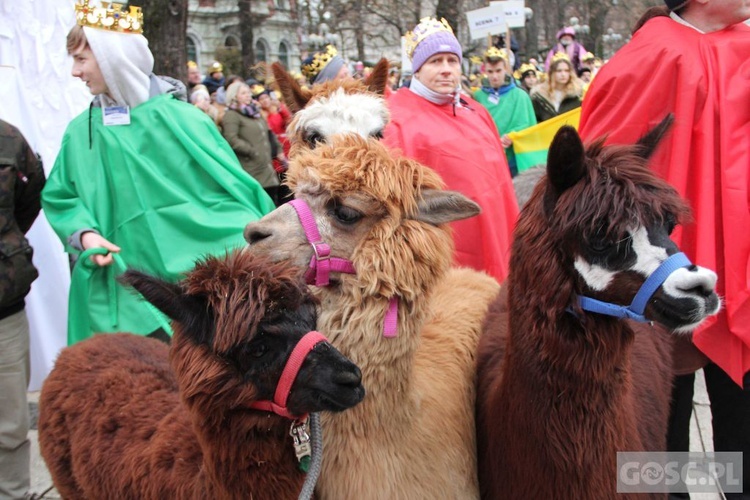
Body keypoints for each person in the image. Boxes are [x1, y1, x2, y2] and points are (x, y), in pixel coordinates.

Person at [578, 2, 750, 497]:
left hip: (740, 278)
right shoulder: (646, 58)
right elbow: (598, 181)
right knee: (658, 444)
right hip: (656, 286)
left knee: (741, 450)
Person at [43, 1, 275, 344]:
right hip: (129, 293)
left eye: (81, 59)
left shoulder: (184, 120)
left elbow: (235, 193)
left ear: (112, 57)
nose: (75, 72)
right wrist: (85, 234)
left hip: (205, 296)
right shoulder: (81, 132)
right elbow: (60, 195)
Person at [384, 17, 519, 284]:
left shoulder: (475, 109)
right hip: (449, 250)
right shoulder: (396, 119)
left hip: (496, 233)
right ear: (418, 69)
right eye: (435, 61)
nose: (446, 70)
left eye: (452, 61)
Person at [0, 120, 45, 500]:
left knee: (10, 422)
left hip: (3, 310)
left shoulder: (8, 139)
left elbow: (30, 200)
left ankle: (13, 493)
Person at [473, 47, 536, 177]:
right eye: (490, 71)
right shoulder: (477, 96)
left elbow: (528, 125)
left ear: (506, 69)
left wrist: (512, 136)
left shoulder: (520, 96)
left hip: (513, 159)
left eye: (498, 71)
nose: (494, 76)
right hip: (487, 158)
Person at [221, 81, 283, 206]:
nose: (248, 95)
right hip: (251, 168)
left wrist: (278, 150)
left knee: (273, 202)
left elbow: (268, 133)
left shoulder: (255, 112)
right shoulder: (231, 115)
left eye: (248, 92)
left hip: (267, 168)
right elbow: (231, 139)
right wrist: (251, 151)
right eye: (243, 93)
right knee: (260, 205)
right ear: (234, 96)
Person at [530, 52, 583, 123]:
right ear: (552, 73)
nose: (563, 74)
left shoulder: (578, 95)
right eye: (559, 71)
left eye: (566, 71)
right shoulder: (539, 97)